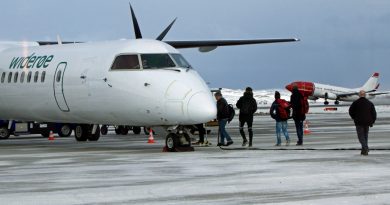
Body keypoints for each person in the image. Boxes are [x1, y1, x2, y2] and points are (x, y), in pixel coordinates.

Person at [349, 90, 376, 155]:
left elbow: (350, 111)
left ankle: (365, 148)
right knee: (365, 136)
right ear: (365, 95)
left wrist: (354, 118)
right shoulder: (370, 103)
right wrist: (372, 121)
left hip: (359, 122)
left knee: (361, 136)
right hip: (367, 122)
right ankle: (364, 150)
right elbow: (374, 114)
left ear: (359, 95)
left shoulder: (355, 103)